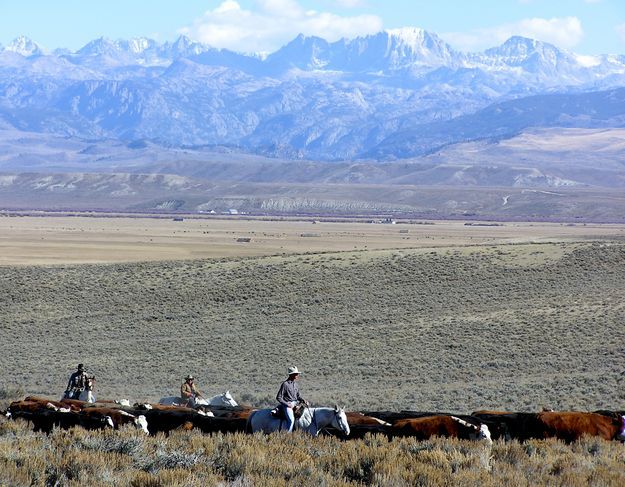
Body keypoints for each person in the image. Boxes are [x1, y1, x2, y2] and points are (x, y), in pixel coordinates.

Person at [275, 365, 308, 432]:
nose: (297, 375)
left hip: (296, 403)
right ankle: (288, 435)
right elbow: (279, 397)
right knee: (291, 420)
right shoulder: (285, 384)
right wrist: (287, 404)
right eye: (295, 374)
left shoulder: (295, 384)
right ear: (291, 375)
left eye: (297, 374)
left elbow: (298, 396)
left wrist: (303, 400)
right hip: (288, 405)